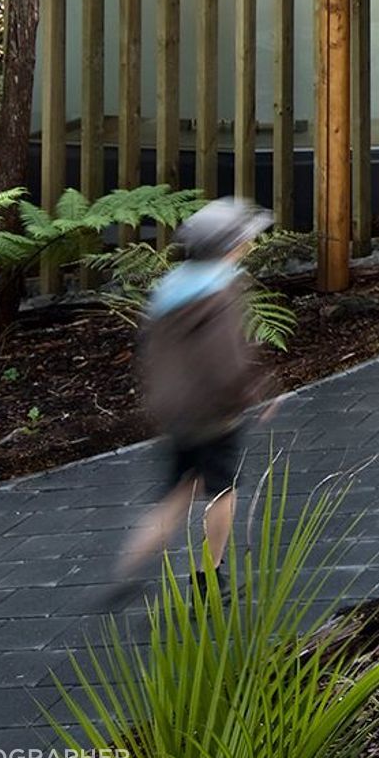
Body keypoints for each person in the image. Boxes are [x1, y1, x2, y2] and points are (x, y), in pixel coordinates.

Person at [106, 197, 274, 602]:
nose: (248, 247)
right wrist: (253, 395)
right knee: (222, 490)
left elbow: (150, 348)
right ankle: (209, 579)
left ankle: (129, 564)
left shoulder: (170, 288)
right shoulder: (218, 293)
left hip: (175, 411)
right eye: (244, 241)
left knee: (178, 491)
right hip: (213, 412)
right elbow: (225, 362)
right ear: (230, 247)